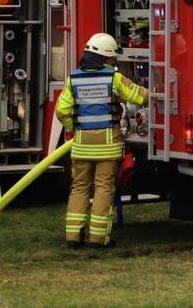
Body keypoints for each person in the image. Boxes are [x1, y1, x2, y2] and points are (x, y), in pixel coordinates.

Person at [56, 33, 147, 249]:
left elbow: (62, 111)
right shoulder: (114, 78)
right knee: (104, 188)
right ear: (107, 57)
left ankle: (73, 237)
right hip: (107, 146)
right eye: (112, 57)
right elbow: (140, 96)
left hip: (81, 146)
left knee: (79, 188)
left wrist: (74, 128)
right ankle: (98, 239)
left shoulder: (73, 79)